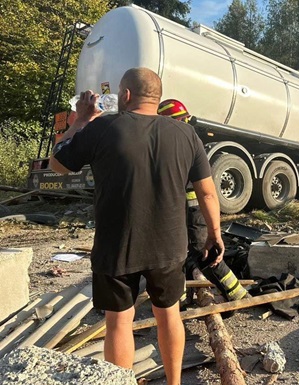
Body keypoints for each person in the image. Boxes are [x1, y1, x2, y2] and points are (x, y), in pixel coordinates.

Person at [49, 67, 223, 385]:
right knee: (169, 315)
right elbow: (207, 191)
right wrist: (215, 234)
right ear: (156, 97)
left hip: (117, 245)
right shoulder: (186, 134)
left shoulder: (102, 127)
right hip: (169, 246)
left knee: (119, 322)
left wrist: (83, 119)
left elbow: (57, 164)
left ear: (125, 95)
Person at [157, 99, 248, 303]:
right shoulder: (183, 142)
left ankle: (237, 294)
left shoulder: (177, 144)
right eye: (181, 120)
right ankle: (183, 298)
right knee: (180, 253)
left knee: (203, 252)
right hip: (183, 210)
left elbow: (205, 192)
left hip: (192, 210)